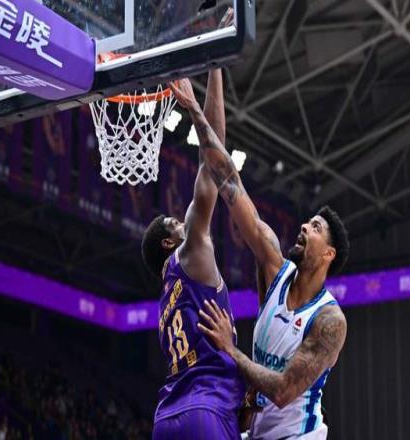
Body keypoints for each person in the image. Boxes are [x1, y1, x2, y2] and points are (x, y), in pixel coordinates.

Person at [170, 78, 349, 440]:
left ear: (329, 253)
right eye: (308, 221)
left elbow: (283, 391)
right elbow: (228, 180)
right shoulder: (273, 266)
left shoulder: (330, 320)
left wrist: (230, 350)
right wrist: (195, 109)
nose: (304, 226)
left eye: (315, 227)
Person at [141, 11, 244, 439]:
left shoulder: (165, 302)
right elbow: (213, 162)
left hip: (166, 417)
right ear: (170, 241)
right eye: (174, 222)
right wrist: (215, 62)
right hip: (207, 408)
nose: (182, 220)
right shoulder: (191, 251)